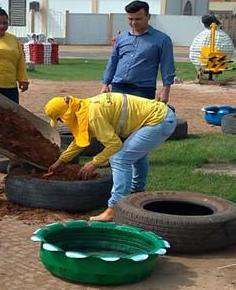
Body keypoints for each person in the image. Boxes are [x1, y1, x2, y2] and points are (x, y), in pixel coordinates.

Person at [44, 92, 176, 222]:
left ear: (66, 115)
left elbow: (114, 145)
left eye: (60, 119)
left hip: (159, 120)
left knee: (119, 158)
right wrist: (61, 161)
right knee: (136, 154)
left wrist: (94, 163)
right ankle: (137, 190)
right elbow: (79, 142)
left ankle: (114, 209)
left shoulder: (93, 116)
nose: (63, 123)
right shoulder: (84, 107)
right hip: (159, 117)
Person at [101, 0, 175, 102]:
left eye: (138, 19)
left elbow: (167, 66)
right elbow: (113, 61)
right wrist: (105, 84)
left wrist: (165, 90)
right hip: (118, 86)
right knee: (117, 117)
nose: (134, 22)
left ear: (148, 17)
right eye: (130, 19)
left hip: (143, 89)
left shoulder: (162, 39)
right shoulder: (122, 37)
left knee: (139, 118)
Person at [189, 13, 235, 78]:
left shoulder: (201, 36)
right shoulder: (223, 36)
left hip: (204, 63)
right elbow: (230, 50)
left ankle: (201, 73)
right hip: (218, 63)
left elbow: (193, 53)